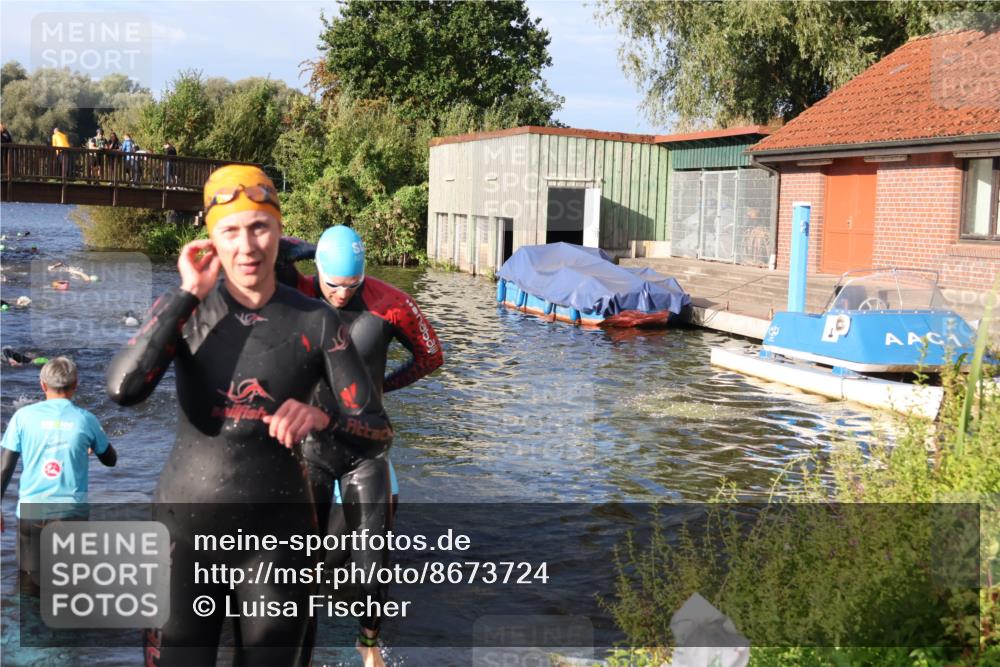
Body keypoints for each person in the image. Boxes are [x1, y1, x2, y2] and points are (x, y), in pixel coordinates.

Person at [106, 164, 392, 667]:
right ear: (211, 239)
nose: (247, 246)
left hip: (279, 537)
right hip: (183, 533)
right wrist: (187, 293)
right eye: (230, 231)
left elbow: (377, 433)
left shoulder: (317, 321)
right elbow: (123, 390)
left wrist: (323, 420)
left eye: (259, 227)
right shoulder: (187, 311)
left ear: (279, 231)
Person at [278, 225, 443, 666]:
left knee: (372, 562)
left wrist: (381, 388)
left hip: (365, 448)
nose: (341, 294)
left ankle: (367, 644)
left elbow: (431, 356)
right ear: (317, 270)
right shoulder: (297, 294)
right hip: (310, 449)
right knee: (303, 563)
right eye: (333, 285)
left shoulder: (392, 303)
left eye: (352, 285)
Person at [0, 357, 117, 591]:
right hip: (71, 514)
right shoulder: (86, 419)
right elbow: (110, 459)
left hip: (32, 512)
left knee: (29, 586)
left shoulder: (22, 417)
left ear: (43, 385)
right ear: (75, 385)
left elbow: (5, 467)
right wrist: (89, 447)